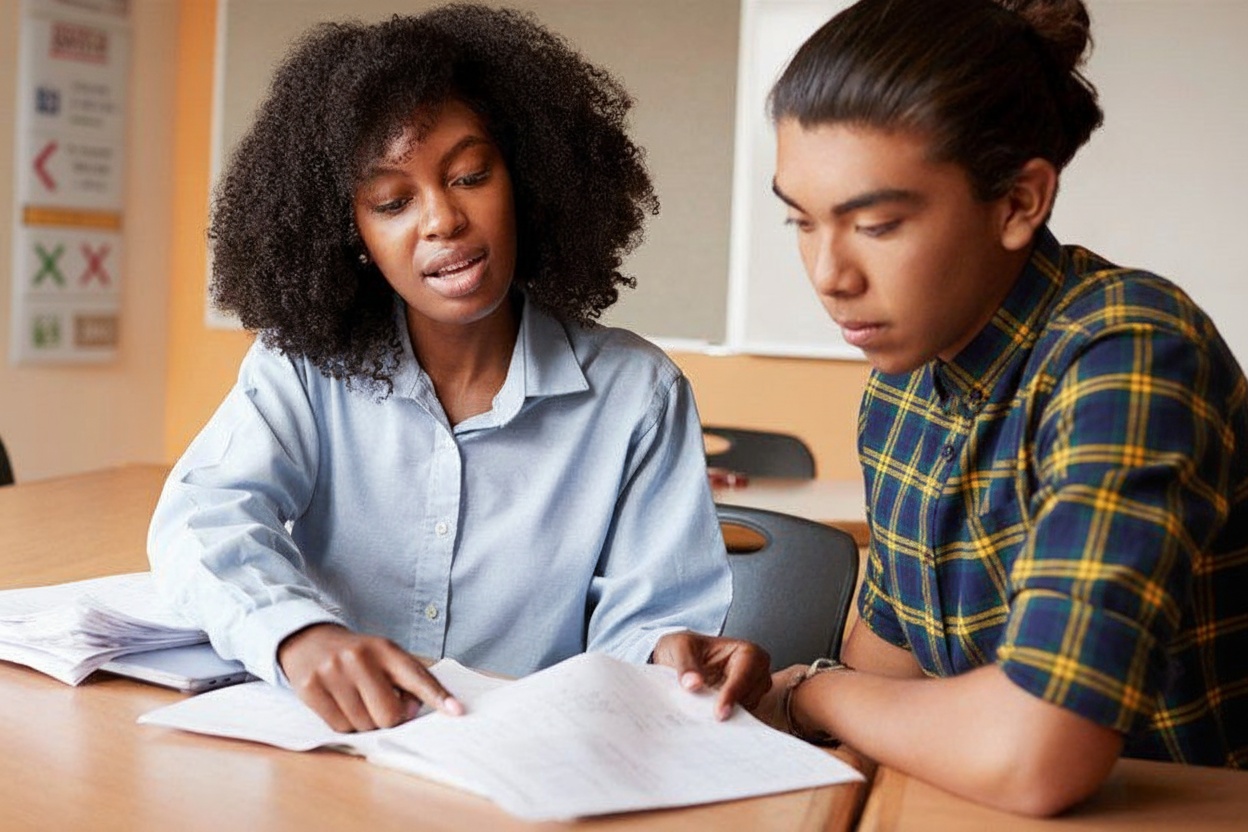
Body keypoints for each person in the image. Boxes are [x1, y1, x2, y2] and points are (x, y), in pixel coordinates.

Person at [148, 4, 769, 734]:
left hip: (527, 767)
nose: (441, 219)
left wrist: (670, 654)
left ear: (528, 181)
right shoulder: (303, 368)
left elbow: (645, 627)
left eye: (470, 174)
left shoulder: (637, 395)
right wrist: (294, 633)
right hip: (332, 753)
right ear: (352, 232)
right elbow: (203, 518)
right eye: (392, 200)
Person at [752, 0, 1248, 816]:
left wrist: (810, 694)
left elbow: (1037, 754)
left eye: (874, 224)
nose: (828, 273)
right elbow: (889, 673)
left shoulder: (1128, 351)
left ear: (1020, 201)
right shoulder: (900, 383)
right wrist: (778, 689)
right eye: (800, 222)